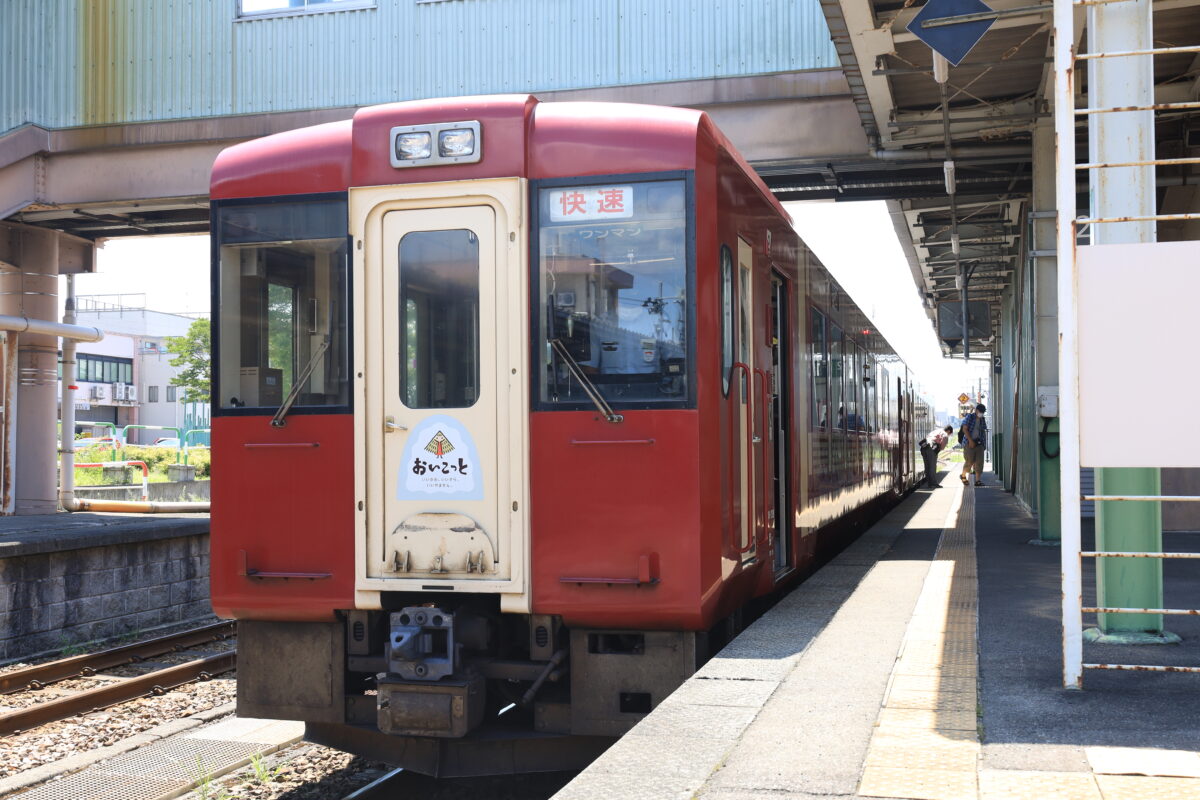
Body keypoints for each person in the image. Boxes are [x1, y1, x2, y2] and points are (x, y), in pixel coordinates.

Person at [960, 404, 988, 487]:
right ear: (976, 410)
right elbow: (964, 429)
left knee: (979, 462)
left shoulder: (982, 419)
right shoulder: (970, 417)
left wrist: (983, 445)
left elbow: (983, 431)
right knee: (969, 461)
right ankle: (963, 476)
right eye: (980, 412)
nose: (981, 414)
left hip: (979, 443)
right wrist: (970, 441)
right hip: (969, 442)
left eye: (983, 412)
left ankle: (978, 481)